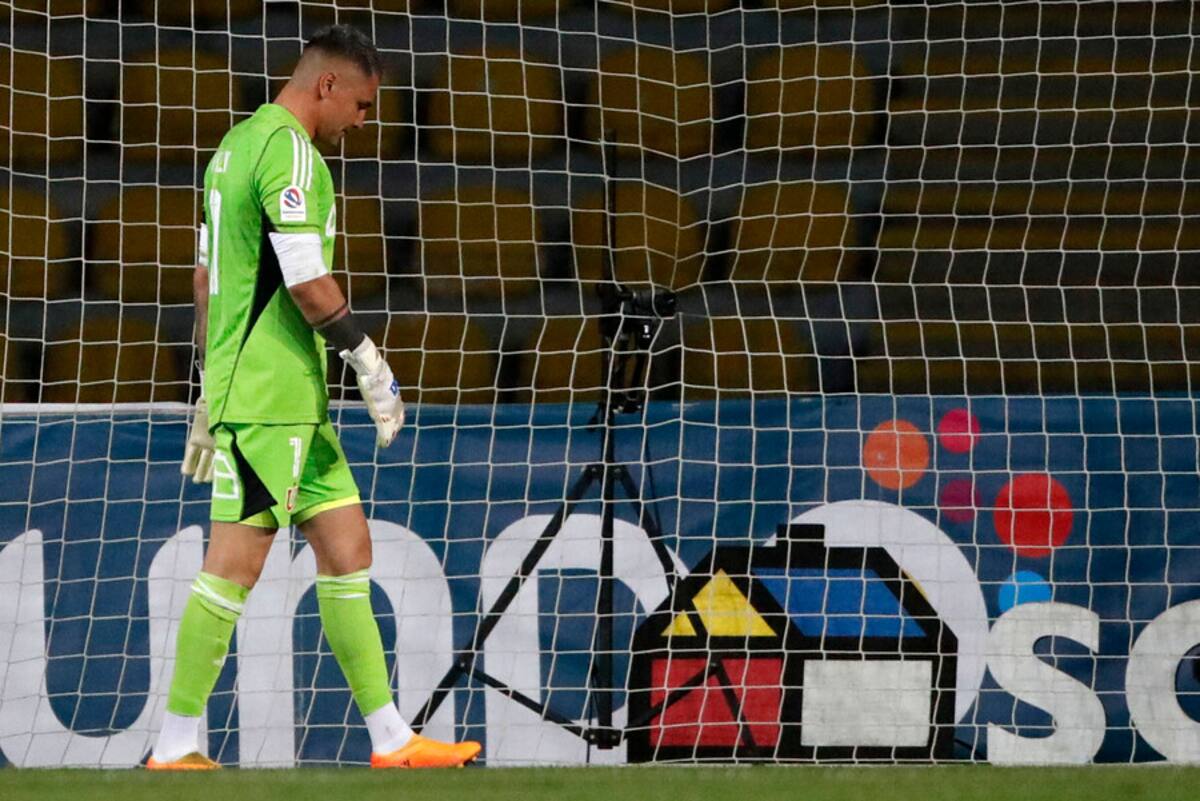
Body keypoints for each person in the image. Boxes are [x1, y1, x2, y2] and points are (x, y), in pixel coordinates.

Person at [149, 25, 480, 770]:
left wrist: (209, 386)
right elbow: (304, 280)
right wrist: (367, 357)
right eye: (361, 105)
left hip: (281, 397)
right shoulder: (294, 153)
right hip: (273, 398)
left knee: (347, 546)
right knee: (235, 563)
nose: (363, 123)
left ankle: (392, 738)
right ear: (326, 86)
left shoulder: (234, 146)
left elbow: (208, 280)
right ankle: (174, 743)